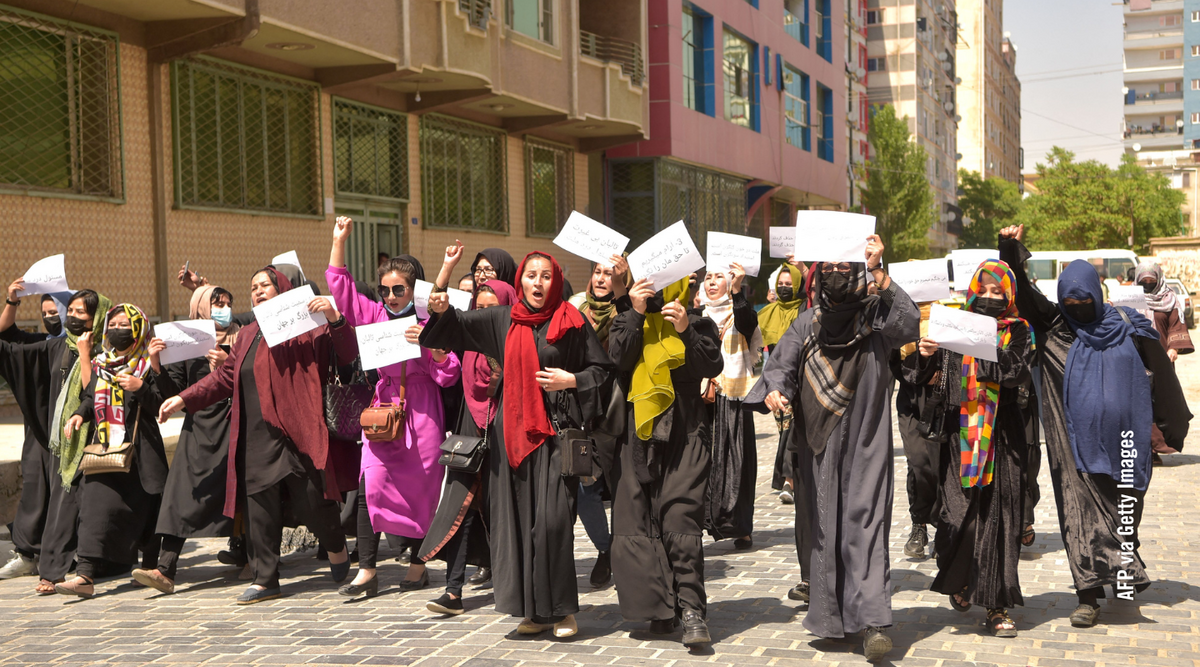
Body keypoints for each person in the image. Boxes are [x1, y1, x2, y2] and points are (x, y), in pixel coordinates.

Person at [998, 225, 1191, 628]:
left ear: (1098, 296)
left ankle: (1122, 569)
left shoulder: (1131, 327)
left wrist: (1172, 428)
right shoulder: (1055, 327)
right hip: (1072, 444)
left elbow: (1163, 379)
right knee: (1078, 515)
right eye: (1069, 301)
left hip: (1126, 441)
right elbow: (1024, 294)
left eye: (1083, 300)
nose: (1076, 306)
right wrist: (1009, 248)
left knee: (1125, 510)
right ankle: (1087, 596)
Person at [419, 252, 614, 639]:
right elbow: (453, 327)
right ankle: (534, 611)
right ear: (521, 282)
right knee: (522, 525)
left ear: (555, 281)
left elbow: (602, 372)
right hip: (513, 437)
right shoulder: (502, 319)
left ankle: (562, 612)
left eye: (545, 276)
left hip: (557, 436)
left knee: (554, 524)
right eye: (531, 276)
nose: (538, 283)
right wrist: (439, 302)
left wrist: (570, 380)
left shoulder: (571, 322)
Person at [746, 235, 919, 662]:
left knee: (866, 520)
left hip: (867, 438)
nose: (839, 275)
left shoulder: (878, 317)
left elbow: (909, 324)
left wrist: (880, 269)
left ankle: (875, 621)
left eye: (848, 268)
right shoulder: (808, 321)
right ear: (819, 276)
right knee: (826, 525)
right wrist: (775, 392)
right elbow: (781, 366)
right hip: (818, 443)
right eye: (831, 269)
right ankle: (832, 619)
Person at [158, 266, 357, 604]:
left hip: (298, 431)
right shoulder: (248, 334)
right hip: (256, 436)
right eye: (253, 287)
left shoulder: (310, 327)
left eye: (265, 284)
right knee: (259, 507)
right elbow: (224, 377)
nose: (258, 290)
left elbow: (347, 353)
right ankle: (266, 578)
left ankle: (336, 547)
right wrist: (184, 398)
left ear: (282, 289)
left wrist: (335, 318)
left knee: (313, 502)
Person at [326, 217, 462, 597]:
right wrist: (339, 240)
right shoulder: (373, 315)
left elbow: (449, 374)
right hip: (383, 410)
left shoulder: (428, 320)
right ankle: (366, 571)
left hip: (422, 414)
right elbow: (342, 291)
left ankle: (418, 565)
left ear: (412, 287)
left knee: (423, 489)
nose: (390, 296)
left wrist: (433, 346)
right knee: (371, 482)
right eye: (385, 290)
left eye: (398, 289)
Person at [902, 260, 1034, 638]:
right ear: (973, 290)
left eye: (999, 292)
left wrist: (984, 341)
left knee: (999, 522)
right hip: (958, 436)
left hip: (1002, 437)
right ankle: (960, 579)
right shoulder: (953, 323)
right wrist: (926, 355)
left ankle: (996, 604)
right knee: (957, 518)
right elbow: (919, 377)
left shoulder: (1019, 330)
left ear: (1009, 296)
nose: (991, 298)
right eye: (985, 290)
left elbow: (1015, 373)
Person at [604, 275, 723, 647]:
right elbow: (617, 357)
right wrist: (635, 311)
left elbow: (711, 365)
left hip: (686, 432)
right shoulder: (630, 320)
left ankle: (691, 611)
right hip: (639, 432)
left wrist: (685, 329)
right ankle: (660, 607)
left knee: (679, 517)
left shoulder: (699, 323)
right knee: (641, 519)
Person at [0, 288, 111, 594]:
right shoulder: (58, 346)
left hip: (98, 437)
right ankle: (54, 569)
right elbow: (9, 347)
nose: (71, 318)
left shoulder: (107, 348)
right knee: (64, 503)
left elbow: (94, 393)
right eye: (70, 311)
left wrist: (87, 354)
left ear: (95, 317)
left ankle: (96, 564)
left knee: (96, 505)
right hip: (66, 441)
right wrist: (11, 301)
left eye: (80, 313)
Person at [130, 287, 241, 593]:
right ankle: (166, 568)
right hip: (198, 428)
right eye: (217, 303)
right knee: (180, 494)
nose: (224, 308)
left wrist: (226, 367)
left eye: (228, 303)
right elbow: (171, 392)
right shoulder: (186, 345)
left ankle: (248, 554)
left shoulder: (242, 338)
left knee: (240, 490)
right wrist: (156, 364)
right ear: (201, 309)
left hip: (236, 424)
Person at [57, 304, 170, 598]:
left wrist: (140, 386)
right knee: (93, 507)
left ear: (138, 330)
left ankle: (148, 567)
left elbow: (163, 404)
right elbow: (90, 395)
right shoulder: (100, 363)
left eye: (125, 325)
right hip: (106, 450)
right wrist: (80, 415)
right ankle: (85, 575)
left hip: (141, 452)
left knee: (147, 509)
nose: (118, 329)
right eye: (114, 324)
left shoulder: (148, 362)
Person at [419, 279, 516, 615]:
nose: (484, 317)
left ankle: (512, 584)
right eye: (479, 309)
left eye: (494, 310)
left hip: (506, 435)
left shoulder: (517, 342)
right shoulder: (467, 343)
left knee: (503, 511)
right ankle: (453, 590)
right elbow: (444, 357)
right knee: (461, 510)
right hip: (469, 433)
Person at [571, 257, 632, 588]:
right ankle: (605, 550)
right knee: (585, 489)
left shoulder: (626, 313)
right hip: (581, 412)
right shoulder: (575, 310)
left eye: (609, 273)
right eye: (597, 271)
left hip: (614, 412)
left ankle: (625, 551)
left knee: (621, 487)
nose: (601, 278)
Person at [0, 284, 65, 580]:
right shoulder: (40, 345)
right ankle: (27, 553)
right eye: (45, 313)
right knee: (35, 489)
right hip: (40, 433)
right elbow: (4, 335)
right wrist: (11, 300)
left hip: (74, 434)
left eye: (56, 312)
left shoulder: (87, 348)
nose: (51, 318)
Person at [698, 263, 763, 550]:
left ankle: (740, 526)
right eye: (707, 278)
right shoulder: (696, 315)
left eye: (718, 277)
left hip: (734, 398)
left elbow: (748, 321)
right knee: (702, 460)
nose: (712, 282)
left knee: (736, 460)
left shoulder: (740, 313)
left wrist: (738, 290)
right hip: (702, 398)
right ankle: (703, 520)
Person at [1132, 260, 1194, 463]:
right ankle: (1145, 449)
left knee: (1161, 401)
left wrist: (1174, 348)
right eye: (1144, 280)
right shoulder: (1131, 297)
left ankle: (1158, 446)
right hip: (1136, 358)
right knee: (1138, 401)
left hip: (1162, 360)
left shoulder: (1169, 299)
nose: (1148, 283)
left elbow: (1177, 325)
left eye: (1151, 280)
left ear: (1158, 279)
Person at [759, 262, 806, 504]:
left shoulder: (805, 311)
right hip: (778, 381)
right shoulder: (768, 312)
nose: (785, 288)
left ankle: (789, 480)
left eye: (789, 284)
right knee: (785, 430)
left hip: (803, 379)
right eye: (781, 284)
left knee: (793, 428)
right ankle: (791, 478)